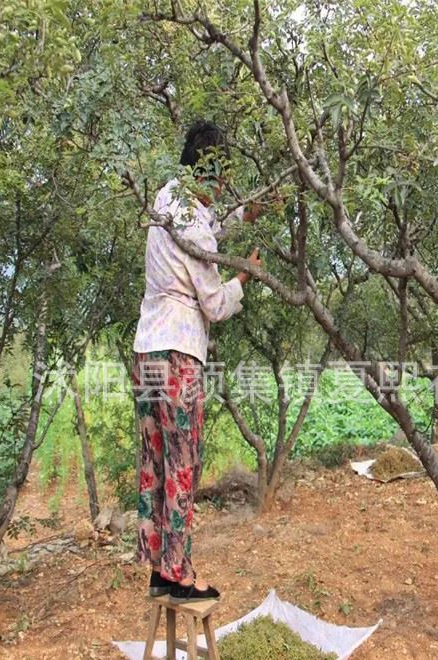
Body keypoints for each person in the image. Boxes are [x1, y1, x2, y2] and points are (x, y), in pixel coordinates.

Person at [132, 120, 262, 603]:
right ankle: (180, 574)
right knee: (184, 462)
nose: (223, 190)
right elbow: (214, 303)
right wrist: (245, 278)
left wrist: (241, 215)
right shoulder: (194, 223)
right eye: (222, 181)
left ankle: (158, 566)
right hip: (179, 353)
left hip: (146, 347)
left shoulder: (169, 199)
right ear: (210, 175)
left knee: (155, 461)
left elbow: (203, 225)